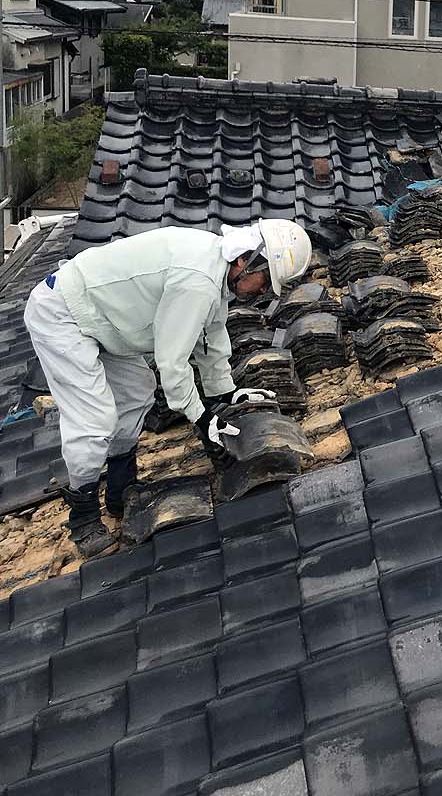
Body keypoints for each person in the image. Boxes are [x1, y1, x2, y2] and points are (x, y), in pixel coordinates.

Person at [24, 218, 312, 557]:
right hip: (63, 313)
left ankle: (120, 490)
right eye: (264, 283)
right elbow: (173, 363)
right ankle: (84, 519)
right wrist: (202, 419)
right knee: (94, 418)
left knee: (137, 391)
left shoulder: (213, 267)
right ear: (246, 260)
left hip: (101, 321)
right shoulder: (197, 280)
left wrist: (224, 391)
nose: (262, 293)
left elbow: (212, 335)